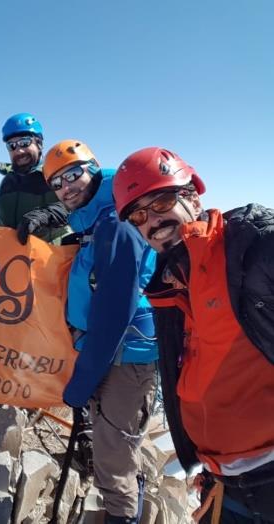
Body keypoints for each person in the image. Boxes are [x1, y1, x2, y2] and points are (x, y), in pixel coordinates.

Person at [113, 147, 274, 523]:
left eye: (162, 200)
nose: (152, 219)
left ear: (193, 195)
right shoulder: (170, 287)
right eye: (138, 214)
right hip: (225, 485)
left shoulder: (251, 249)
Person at [44, 140, 158, 523]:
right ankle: (128, 502)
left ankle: (122, 515)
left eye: (74, 173)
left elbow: (113, 313)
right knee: (116, 447)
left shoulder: (116, 221)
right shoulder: (98, 219)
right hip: (113, 353)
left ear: (94, 168)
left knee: (111, 455)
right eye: (57, 183)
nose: (67, 186)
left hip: (123, 355)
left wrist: (83, 380)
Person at [0, 112, 70, 244]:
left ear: (39, 143)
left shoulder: (55, 174)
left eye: (24, 143)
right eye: (12, 146)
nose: (19, 151)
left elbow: (78, 206)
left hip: (55, 256)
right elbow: (2, 225)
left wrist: (48, 214)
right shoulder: (8, 182)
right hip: (14, 260)